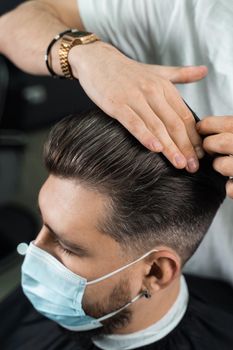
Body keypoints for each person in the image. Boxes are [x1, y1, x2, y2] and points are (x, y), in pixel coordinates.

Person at [0, 0, 233, 283]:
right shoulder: (189, 8)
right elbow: (12, 25)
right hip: (142, 270)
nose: (35, 249)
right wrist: (86, 55)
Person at [1, 108, 233, 350]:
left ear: (155, 272)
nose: (34, 252)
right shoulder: (38, 300)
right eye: (44, 223)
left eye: (67, 247)